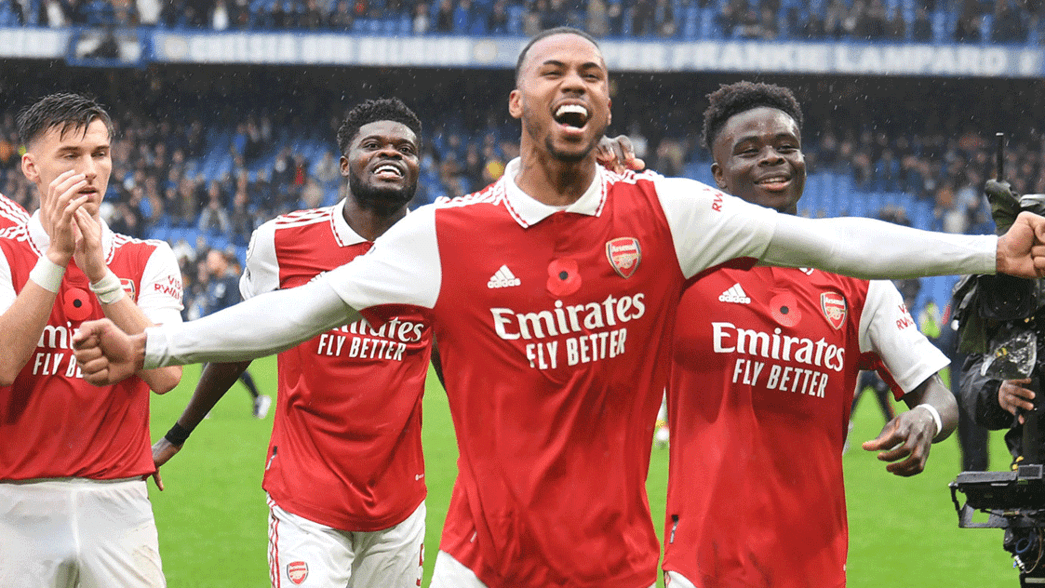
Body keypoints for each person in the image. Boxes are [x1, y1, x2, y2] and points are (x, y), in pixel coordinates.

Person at [74, 28, 1045, 588]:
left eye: (591, 74)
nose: (573, 82)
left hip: (620, 569)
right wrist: (155, 340)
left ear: (605, 106)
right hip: (479, 565)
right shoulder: (444, 236)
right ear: (518, 103)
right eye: (554, 71)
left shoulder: (663, 215)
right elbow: (297, 311)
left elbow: (834, 244)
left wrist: (985, 249)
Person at [661, 81, 959, 588]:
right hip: (702, 564)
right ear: (719, 177)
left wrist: (926, 419)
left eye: (785, 146)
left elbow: (939, 395)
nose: (772, 159)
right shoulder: (681, 270)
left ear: (803, 160)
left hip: (813, 564)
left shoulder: (859, 280)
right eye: (748, 151)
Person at [151, 98, 434, 588]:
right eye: (373, 145)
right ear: (345, 164)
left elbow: (458, 361)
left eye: (404, 148)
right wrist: (179, 432)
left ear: (417, 166)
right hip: (306, 498)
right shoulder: (281, 242)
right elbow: (243, 340)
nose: (391, 153)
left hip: (399, 506)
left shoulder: (438, 249)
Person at [0, 92, 183, 587]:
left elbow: (166, 375)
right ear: (31, 168)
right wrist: (57, 255)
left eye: (100, 154)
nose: (89, 170)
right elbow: (3, 362)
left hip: (119, 501)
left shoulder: (149, 256)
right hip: (17, 501)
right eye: (70, 155)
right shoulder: (3, 250)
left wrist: (100, 276)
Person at [199, 247, 271, 419]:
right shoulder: (215, 281)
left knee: (230, 368)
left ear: (223, 261)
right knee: (224, 367)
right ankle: (257, 398)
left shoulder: (231, 281)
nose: (210, 264)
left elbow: (233, 308)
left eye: (213, 260)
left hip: (224, 332)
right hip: (212, 331)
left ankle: (203, 406)